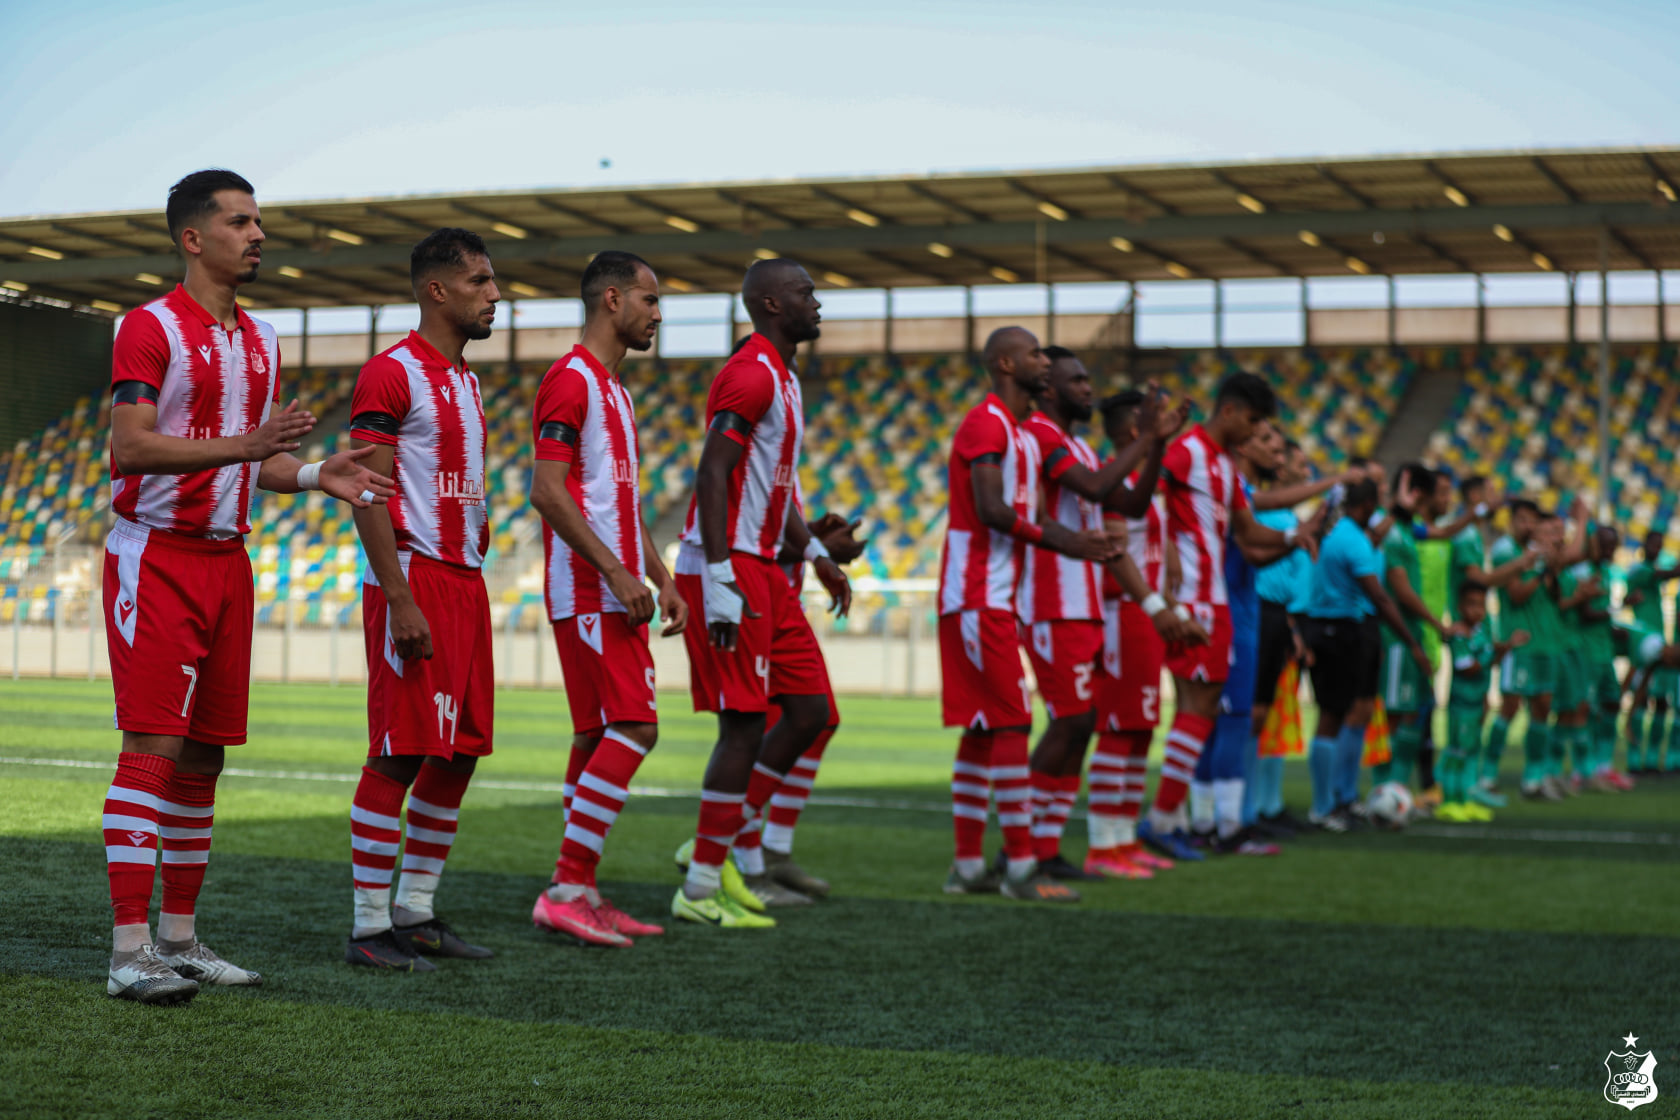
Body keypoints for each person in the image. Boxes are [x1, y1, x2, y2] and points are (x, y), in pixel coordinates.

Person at [100, 169, 394, 1003]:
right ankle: (129, 954)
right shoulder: (148, 327)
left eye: (259, 221)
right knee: (152, 749)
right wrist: (246, 444)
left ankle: (182, 942)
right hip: (157, 557)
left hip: (231, 560)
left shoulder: (261, 341)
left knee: (204, 759)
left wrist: (311, 476)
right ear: (194, 238)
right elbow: (133, 446)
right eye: (239, 222)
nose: (257, 234)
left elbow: (258, 457)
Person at [671, 258, 851, 928]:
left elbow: (773, 486)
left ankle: (714, 850)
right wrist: (717, 576)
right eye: (807, 291)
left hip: (768, 570)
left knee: (810, 711)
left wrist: (813, 552)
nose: (818, 301)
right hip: (733, 567)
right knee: (744, 723)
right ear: (772, 303)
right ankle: (700, 885)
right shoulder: (749, 373)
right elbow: (712, 473)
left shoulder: (785, 375)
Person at [344, 228, 502, 970]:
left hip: (466, 581)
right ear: (437, 290)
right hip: (417, 578)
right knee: (399, 753)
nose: (493, 294)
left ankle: (417, 912)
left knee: (458, 753)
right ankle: (370, 929)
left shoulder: (466, 381)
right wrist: (399, 597)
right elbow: (368, 492)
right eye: (478, 281)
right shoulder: (391, 372)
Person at [527, 251, 688, 947]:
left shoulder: (614, 391)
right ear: (613, 300)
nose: (658, 314)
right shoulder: (570, 381)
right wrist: (619, 576)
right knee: (636, 727)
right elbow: (548, 491)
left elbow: (619, 503)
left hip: (614, 589)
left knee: (596, 735)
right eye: (650, 301)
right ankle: (567, 884)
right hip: (590, 592)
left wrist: (660, 573)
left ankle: (581, 890)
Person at [938, 326, 1116, 901]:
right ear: (1007, 363)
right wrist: (1061, 540)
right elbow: (990, 509)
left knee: (984, 730)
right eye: (1037, 352)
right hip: (976, 596)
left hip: (989, 597)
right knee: (1012, 724)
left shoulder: (1014, 430)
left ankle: (968, 869)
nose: (1046, 360)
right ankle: (1020, 869)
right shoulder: (986, 422)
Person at [1136, 373, 1311, 860]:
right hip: (1190, 595)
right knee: (1197, 707)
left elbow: (1249, 530)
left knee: (1203, 708)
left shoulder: (1224, 468)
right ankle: (1165, 820)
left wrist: (1298, 536)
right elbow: (1147, 488)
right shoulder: (1189, 449)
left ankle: (1171, 821)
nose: (1254, 433)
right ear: (1230, 411)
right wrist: (1166, 545)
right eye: (1253, 422)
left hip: (1215, 601)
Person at [1019, 348, 1177, 879]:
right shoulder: (1041, 434)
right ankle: (1024, 849)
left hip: (1082, 603)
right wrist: (1150, 441)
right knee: (1072, 722)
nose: (1088, 388)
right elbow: (1091, 489)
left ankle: (1047, 848)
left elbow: (1127, 506)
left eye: (1089, 380)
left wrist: (1154, 446)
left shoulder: (1081, 447)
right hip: (1049, 601)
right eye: (1078, 380)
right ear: (1049, 389)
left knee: (1082, 725)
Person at [1082, 389, 1202, 879]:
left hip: (1145, 614)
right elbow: (1114, 549)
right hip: (1122, 613)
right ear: (1134, 427)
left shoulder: (1141, 477)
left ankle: (1125, 839)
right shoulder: (1115, 476)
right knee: (1118, 727)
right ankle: (1102, 846)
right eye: (1151, 417)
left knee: (1139, 729)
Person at [725, 498, 869, 899]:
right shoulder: (753, 435)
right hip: (757, 596)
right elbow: (746, 537)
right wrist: (818, 550)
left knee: (816, 719)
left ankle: (770, 849)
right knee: (762, 730)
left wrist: (812, 537)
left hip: (781, 599)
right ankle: (740, 858)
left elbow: (767, 526)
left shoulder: (784, 439)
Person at [1300, 478, 1429, 830]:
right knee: (1332, 716)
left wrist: (1400, 510)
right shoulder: (1350, 539)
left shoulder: (1351, 534)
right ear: (1369, 504)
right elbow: (1381, 597)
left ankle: (1344, 796)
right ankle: (1324, 806)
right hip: (1336, 630)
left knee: (1357, 712)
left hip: (1350, 629)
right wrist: (1412, 642)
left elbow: (1374, 540)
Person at [1371, 465, 1457, 795]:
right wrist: (1437, 625)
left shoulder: (1408, 530)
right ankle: (1382, 789)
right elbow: (1401, 590)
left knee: (1411, 715)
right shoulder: (1391, 532)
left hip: (1413, 635)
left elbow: (1442, 533)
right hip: (1396, 637)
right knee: (1393, 716)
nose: (1444, 498)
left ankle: (1397, 789)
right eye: (1440, 492)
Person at [1247, 437, 1317, 834]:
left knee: (1277, 714)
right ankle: (1250, 806)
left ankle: (1267, 804)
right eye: (1298, 465)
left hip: (1291, 619)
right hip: (1274, 617)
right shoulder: (1264, 514)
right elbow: (1265, 572)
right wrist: (1291, 624)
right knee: (1258, 714)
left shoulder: (1288, 516)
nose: (1307, 473)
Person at [1438, 585, 1527, 822]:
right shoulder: (1458, 635)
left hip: (1476, 702)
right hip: (1462, 704)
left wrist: (1507, 646)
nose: (1477, 611)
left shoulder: (1479, 633)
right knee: (1457, 751)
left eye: (1482, 605)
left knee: (1469, 751)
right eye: (1472, 605)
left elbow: (1491, 661)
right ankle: (1449, 801)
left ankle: (1465, 800)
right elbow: (1468, 666)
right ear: (1460, 608)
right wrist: (1500, 650)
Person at [1622, 529, 1679, 774]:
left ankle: (1657, 756)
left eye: (1660, 544)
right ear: (1643, 545)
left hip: (1658, 641)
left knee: (1663, 702)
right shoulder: (1638, 570)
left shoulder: (1652, 576)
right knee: (1642, 700)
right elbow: (1669, 573)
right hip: (1642, 639)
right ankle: (1635, 756)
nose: (1656, 549)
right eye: (1653, 544)